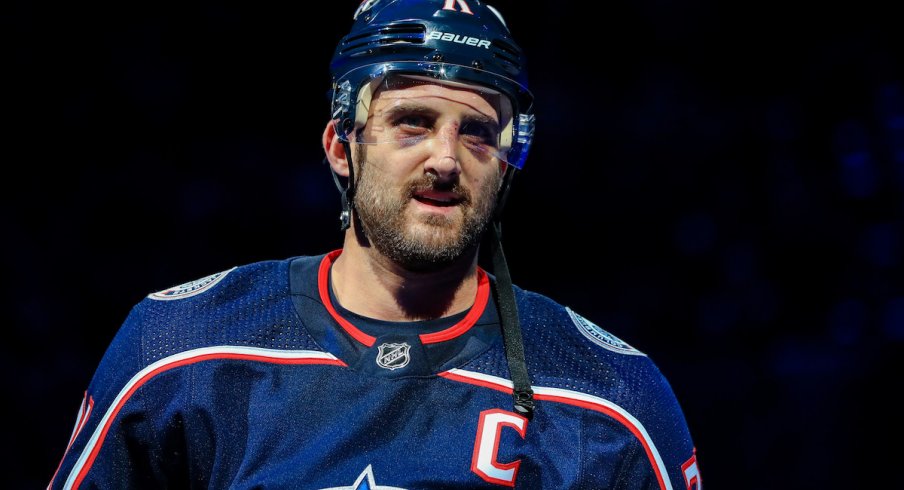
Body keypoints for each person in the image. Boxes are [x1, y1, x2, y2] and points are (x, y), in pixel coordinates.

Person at [48, 1, 701, 488]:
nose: (446, 159)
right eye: (411, 123)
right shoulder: (178, 351)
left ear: (505, 163)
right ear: (341, 146)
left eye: (477, 133)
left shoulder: (616, 401)